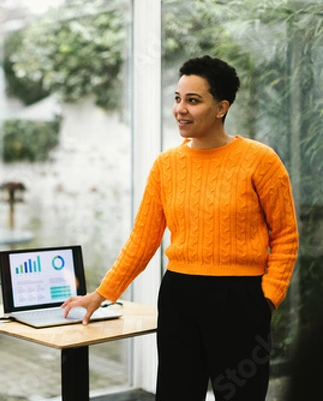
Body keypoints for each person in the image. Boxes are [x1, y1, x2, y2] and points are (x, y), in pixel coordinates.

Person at [61, 55, 299, 401]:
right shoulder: (166, 166)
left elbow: (286, 236)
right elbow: (142, 240)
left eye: (193, 100)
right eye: (177, 99)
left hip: (241, 302)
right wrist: (101, 294)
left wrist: (267, 300)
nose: (180, 110)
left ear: (221, 108)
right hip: (180, 297)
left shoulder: (260, 161)